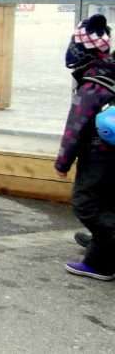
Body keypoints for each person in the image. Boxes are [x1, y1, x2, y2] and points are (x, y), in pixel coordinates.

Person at [56, 33, 115, 280]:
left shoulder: (93, 84)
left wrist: (63, 162)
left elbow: (76, 127)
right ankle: (101, 242)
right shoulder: (110, 71)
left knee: (87, 203)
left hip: (98, 154)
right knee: (109, 200)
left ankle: (101, 261)